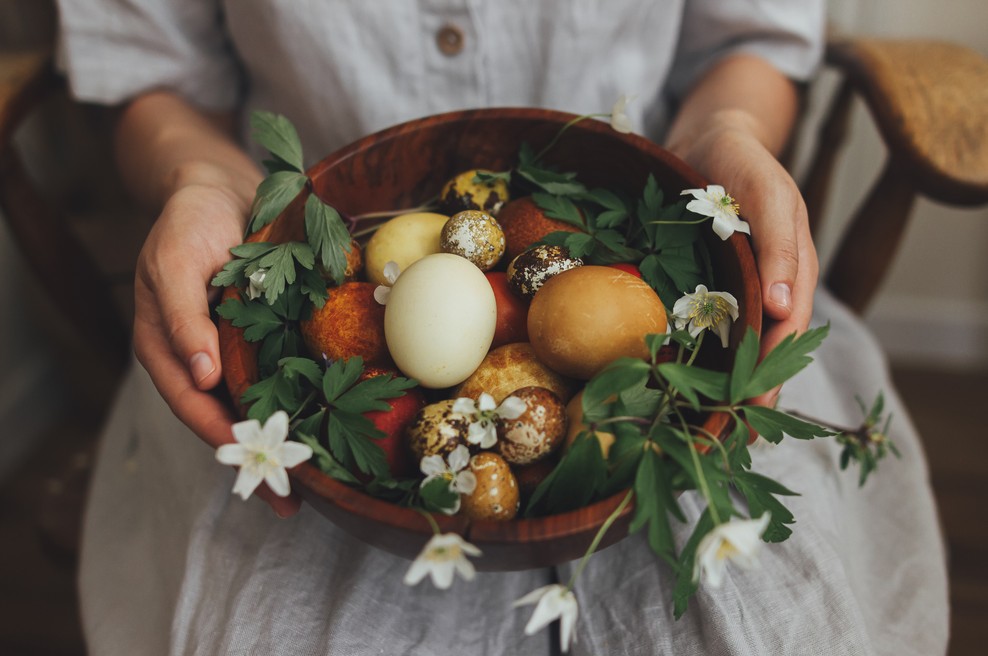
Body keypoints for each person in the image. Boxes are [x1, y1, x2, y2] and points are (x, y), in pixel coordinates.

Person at [55, 1, 948, 654]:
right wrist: (196, 180)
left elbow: (750, 41)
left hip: (666, 278)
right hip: (294, 285)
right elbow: (149, 73)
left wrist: (728, 128)